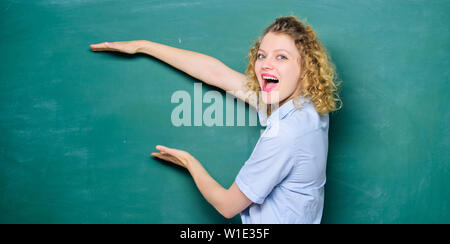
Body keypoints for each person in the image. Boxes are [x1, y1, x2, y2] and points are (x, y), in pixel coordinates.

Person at [90, 16, 342, 224]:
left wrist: (189, 163)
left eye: (281, 57)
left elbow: (227, 205)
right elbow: (216, 74)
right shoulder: (308, 106)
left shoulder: (285, 135)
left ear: (305, 68)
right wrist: (145, 46)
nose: (266, 65)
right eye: (262, 55)